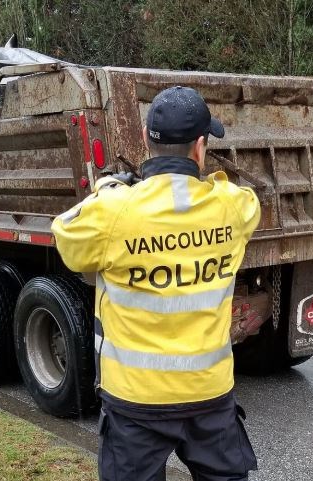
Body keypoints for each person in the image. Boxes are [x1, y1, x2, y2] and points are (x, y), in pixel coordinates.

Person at [51, 86, 261, 481]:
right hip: (208, 394)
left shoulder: (114, 211)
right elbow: (245, 198)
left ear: (146, 140)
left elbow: (65, 234)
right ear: (200, 146)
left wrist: (108, 187)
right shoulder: (233, 207)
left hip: (136, 400)